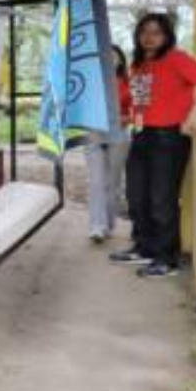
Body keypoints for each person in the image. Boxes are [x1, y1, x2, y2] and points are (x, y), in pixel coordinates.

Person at [110, 13, 196, 278]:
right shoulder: (138, 65)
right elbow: (146, 104)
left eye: (156, 32)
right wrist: (126, 117)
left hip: (169, 138)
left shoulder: (176, 58)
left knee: (161, 199)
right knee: (136, 195)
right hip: (141, 134)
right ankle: (144, 248)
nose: (149, 37)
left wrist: (195, 118)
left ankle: (167, 258)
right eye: (144, 32)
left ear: (167, 36)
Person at [84, 45, 131, 244]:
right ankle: (97, 226)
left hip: (119, 133)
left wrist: (126, 118)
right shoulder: (90, 81)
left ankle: (109, 224)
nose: (110, 60)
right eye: (105, 56)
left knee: (113, 182)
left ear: (121, 60)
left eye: (114, 56)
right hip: (94, 133)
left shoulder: (129, 81)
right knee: (96, 181)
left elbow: (136, 108)